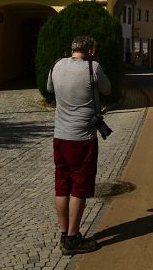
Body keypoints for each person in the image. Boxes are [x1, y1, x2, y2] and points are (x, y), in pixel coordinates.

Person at [47, 35, 111, 255]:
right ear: (91, 50)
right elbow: (108, 90)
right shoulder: (93, 68)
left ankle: (64, 232)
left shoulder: (56, 65)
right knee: (79, 186)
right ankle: (73, 239)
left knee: (62, 184)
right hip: (82, 138)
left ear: (72, 48)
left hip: (60, 136)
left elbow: (50, 89)